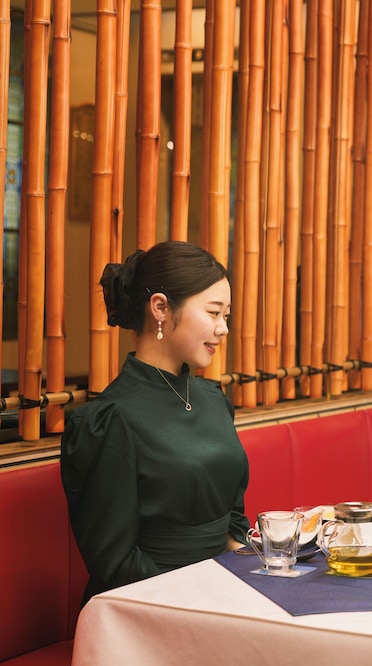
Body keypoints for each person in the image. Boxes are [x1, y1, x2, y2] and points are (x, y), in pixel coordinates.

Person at [61, 241, 251, 602]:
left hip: (221, 591)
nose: (223, 328)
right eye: (213, 313)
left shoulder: (213, 399)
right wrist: (199, 599)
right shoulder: (110, 419)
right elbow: (114, 562)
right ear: (160, 308)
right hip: (148, 604)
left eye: (226, 316)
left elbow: (232, 521)